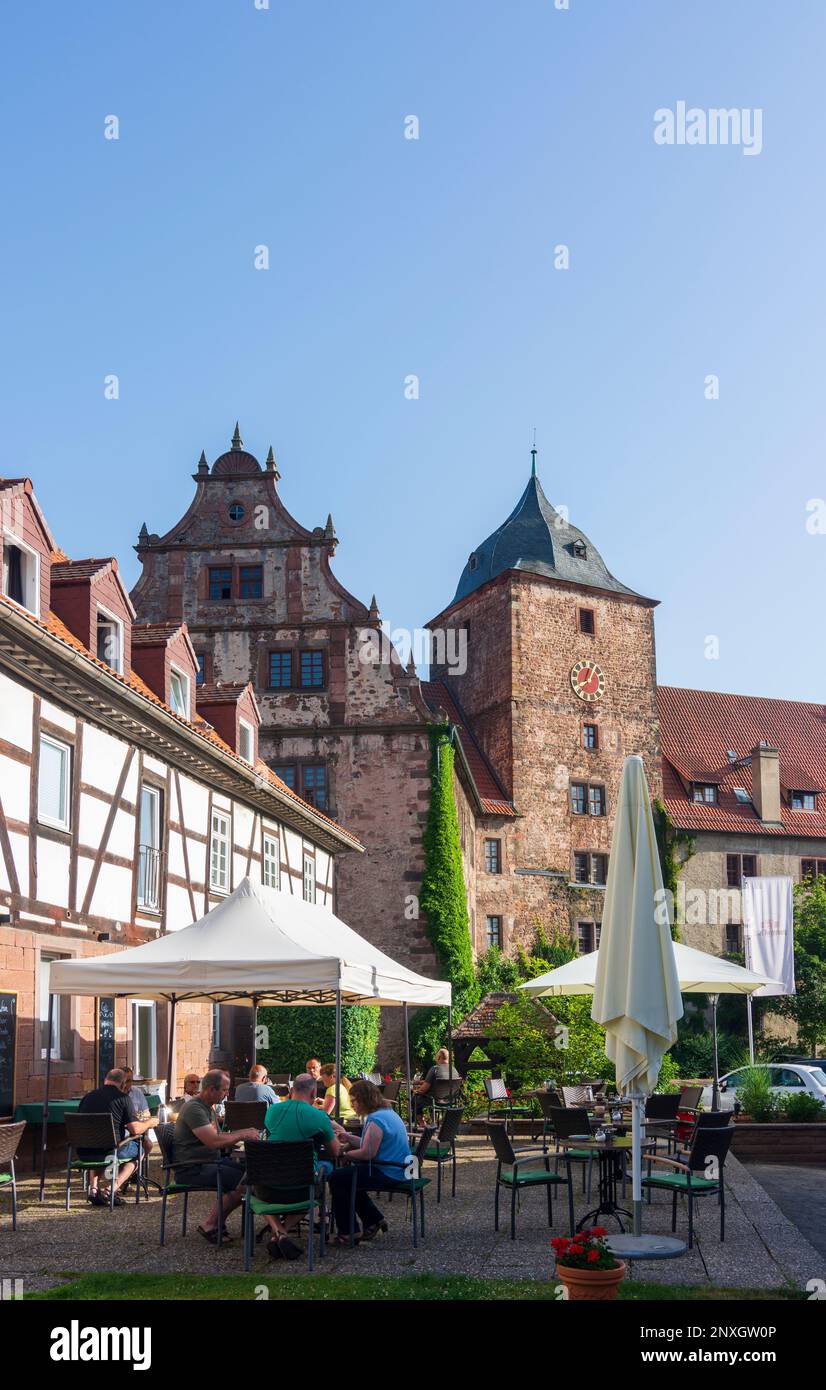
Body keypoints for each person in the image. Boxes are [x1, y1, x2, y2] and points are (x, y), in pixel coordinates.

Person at [258, 1072, 343, 1260]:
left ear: (290, 1090)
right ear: (314, 1092)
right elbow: (336, 1152)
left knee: (256, 1189)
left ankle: (279, 1233)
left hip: (267, 1189)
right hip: (302, 1190)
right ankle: (281, 1233)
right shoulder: (319, 1117)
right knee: (318, 1182)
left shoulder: (271, 1111)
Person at [173, 1069, 261, 1245]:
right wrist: (243, 1134)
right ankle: (210, 1224)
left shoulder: (207, 1108)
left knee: (250, 1173)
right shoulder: (194, 1109)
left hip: (208, 1162)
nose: (227, 1094)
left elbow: (220, 1138)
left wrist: (239, 1137)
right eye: (224, 1090)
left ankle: (215, 1223)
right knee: (245, 1181)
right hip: (192, 1168)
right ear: (211, 1089)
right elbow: (213, 1141)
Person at [328, 1079, 412, 1244]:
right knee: (348, 1177)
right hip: (399, 1168)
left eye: (354, 1101)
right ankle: (373, 1219)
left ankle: (348, 1233)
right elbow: (372, 1145)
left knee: (337, 1178)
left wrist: (346, 1155)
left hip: (388, 1171)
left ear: (363, 1099)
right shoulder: (388, 1113)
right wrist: (349, 1137)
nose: (352, 1105)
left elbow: (368, 1153)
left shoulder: (375, 1120)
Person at [77, 1068, 156, 1207]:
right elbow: (135, 1129)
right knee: (140, 1149)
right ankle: (112, 1189)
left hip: (84, 1152)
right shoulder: (123, 1098)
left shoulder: (87, 1097)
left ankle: (94, 1189)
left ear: (105, 1080)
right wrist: (151, 1122)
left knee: (99, 1144)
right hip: (110, 1153)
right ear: (123, 1083)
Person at [412, 1048, 461, 1126]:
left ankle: (422, 1123)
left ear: (438, 1057)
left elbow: (424, 1089)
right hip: (451, 1100)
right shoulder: (454, 1070)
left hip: (434, 1100)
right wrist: (420, 1082)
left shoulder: (435, 1069)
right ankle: (434, 1122)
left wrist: (416, 1091)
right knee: (428, 1097)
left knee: (415, 1099)